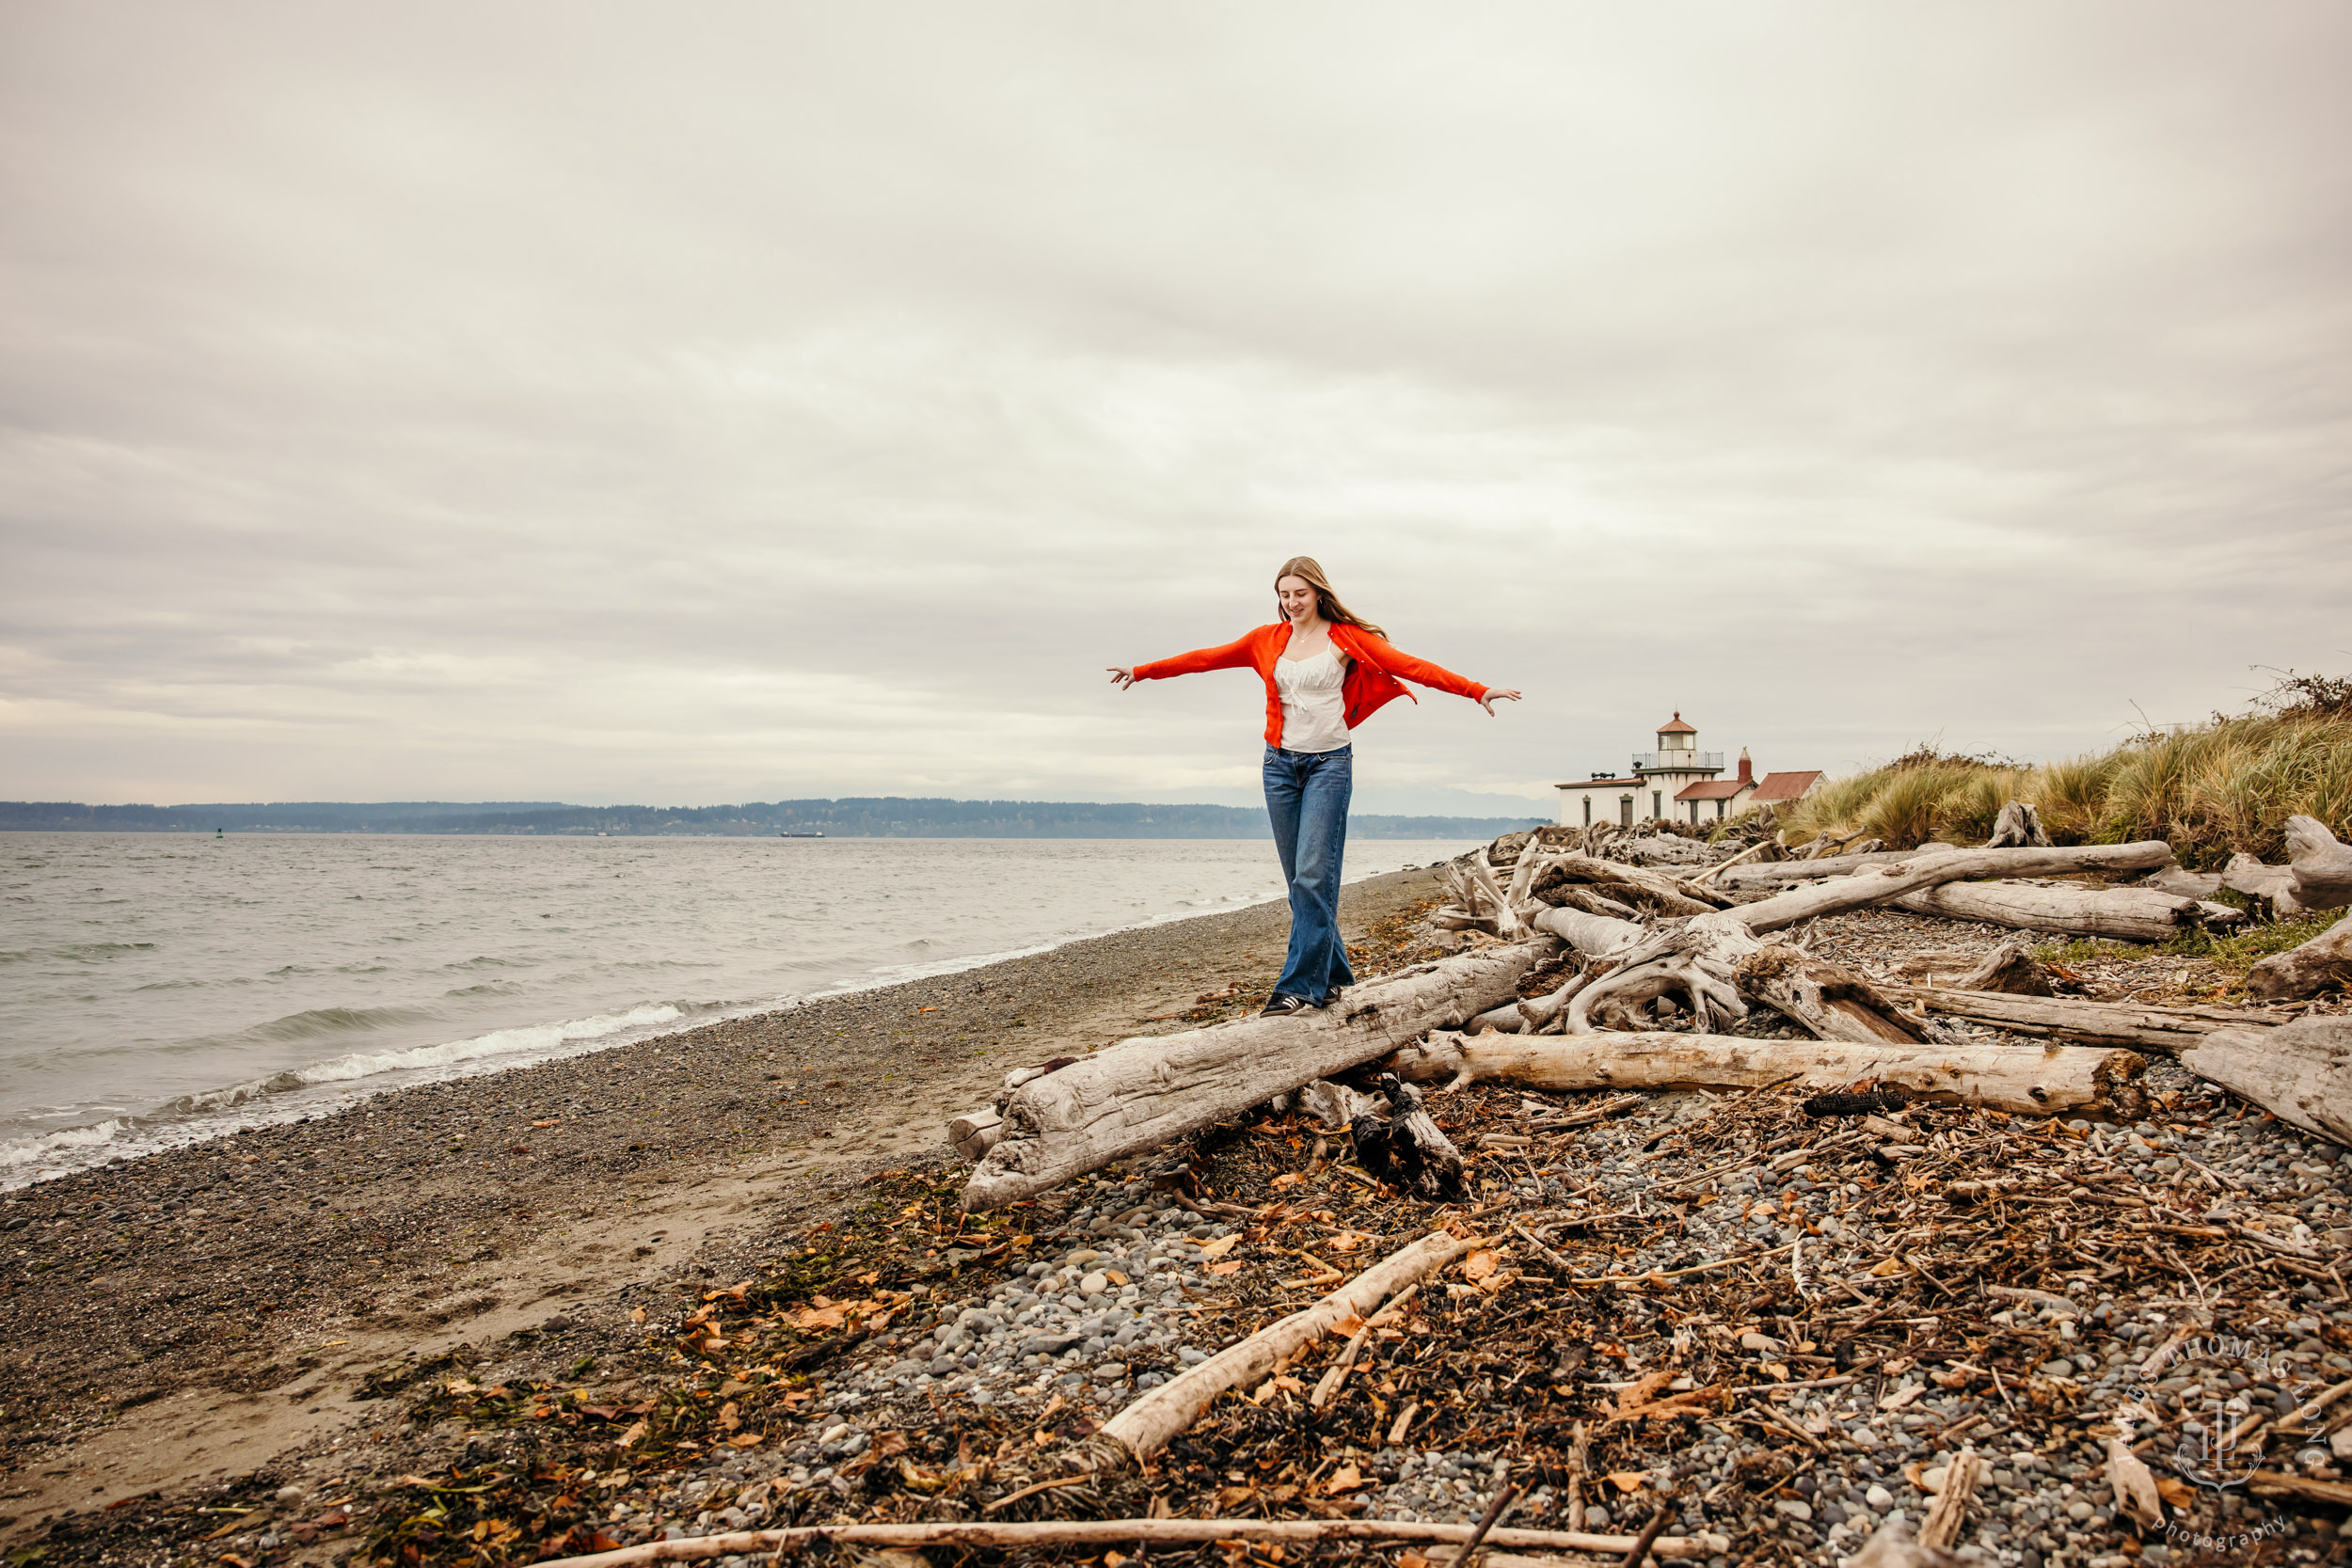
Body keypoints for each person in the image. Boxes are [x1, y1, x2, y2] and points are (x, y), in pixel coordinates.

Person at [1109, 557, 1520, 1017]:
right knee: (1301, 883)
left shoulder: (1345, 639)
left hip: (1329, 766)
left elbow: (1412, 666)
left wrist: (1477, 690)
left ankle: (1298, 986)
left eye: (1299, 594)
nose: (1292, 602)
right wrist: (1143, 670)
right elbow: (1204, 659)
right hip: (1279, 767)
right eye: (1284, 594)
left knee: (1312, 877)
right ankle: (1334, 977)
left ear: (1319, 593)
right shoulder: (1265, 640)